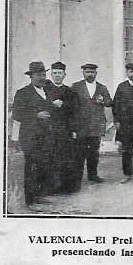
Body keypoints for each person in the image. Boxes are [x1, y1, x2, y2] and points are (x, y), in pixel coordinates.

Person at [11, 62, 55, 207]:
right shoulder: (23, 93)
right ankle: (30, 200)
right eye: (38, 75)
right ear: (31, 76)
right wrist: (36, 115)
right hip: (30, 136)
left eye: (44, 74)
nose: (42, 78)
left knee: (43, 166)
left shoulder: (47, 91)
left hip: (46, 136)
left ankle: (39, 195)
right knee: (31, 167)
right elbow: (17, 114)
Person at [70, 62, 113, 186]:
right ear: (83, 73)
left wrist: (103, 100)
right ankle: (77, 177)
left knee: (94, 152)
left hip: (96, 125)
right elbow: (71, 106)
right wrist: (73, 126)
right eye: (87, 72)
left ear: (96, 73)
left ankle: (93, 176)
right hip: (81, 126)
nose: (90, 74)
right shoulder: (76, 87)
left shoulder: (102, 87)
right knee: (79, 153)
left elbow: (110, 102)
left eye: (92, 72)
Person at [46, 61, 80, 193]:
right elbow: (40, 105)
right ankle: (50, 187)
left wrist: (74, 130)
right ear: (51, 74)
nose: (57, 76)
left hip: (65, 130)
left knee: (65, 158)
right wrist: (52, 103)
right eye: (54, 73)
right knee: (50, 158)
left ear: (64, 75)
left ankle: (65, 187)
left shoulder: (70, 91)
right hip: (49, 129)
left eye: (60, 73)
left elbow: (75, 110)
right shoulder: (45, 90)